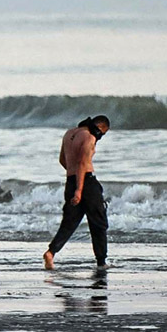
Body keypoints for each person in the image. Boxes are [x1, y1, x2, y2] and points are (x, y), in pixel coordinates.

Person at [45, 115, 111, 270]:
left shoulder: (69, 133)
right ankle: (101, 262)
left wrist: (74, 181)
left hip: (71, 181)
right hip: (86, 183)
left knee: (69, 222)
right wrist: (79, 190)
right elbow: (82, 163)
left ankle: (51, 252)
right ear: (100, 127)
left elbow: (62, 160)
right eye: (103, 133)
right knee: (99, 222)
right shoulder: (89, 137)